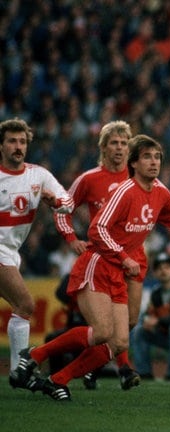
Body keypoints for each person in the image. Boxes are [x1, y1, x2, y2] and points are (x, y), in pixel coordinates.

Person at [9, 134, 170, 401]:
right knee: (103, 332)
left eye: (157, 157)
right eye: (147, 157)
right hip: (98, 264)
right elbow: (97, 229)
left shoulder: (160, 192)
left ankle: (58, 379)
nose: (154, 162)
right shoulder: (125, 192)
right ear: (134, 163)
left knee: (118, 343)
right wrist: (122, 255)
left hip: (117, 271)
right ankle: (35, 354)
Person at [52, 120, 142, 389]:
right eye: (114, 143)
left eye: (124, 143)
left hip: (133, 257)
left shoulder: (136, 178)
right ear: (103, 147)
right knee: (107, 331)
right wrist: (71, 239)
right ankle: (122, 368)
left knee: (130, 321)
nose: (120, 148)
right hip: (104, 259)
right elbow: (62, 211)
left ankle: (95, 365)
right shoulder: (89, 179)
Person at [0, 118, 73, 378]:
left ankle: (19, 372)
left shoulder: (38, 175)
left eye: (22, 141)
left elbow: (67, 200)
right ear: (1, 146)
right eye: (11, 141)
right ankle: (20, 372)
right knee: (25, 304)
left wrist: (56, 202)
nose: (18, 146)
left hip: (10, 252)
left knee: (23, 307)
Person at [130, 252, 170, 381]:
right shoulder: (156, 294)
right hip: (165, 335)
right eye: (159, 268)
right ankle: (144, 373)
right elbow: (148, 314)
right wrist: (147, 321)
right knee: (139, 330)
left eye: (167, 267)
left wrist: (158, 321)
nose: (163, 271)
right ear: (154, 273)